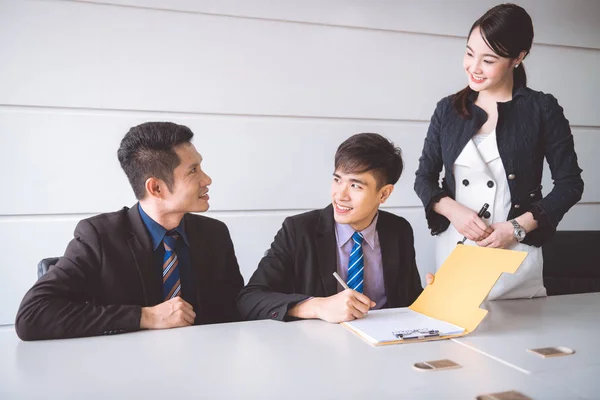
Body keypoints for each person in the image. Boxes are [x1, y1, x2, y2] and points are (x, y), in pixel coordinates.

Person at [414, 3, 583, 300]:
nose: (473, 68)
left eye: (488, 60)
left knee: (518, 341)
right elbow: (424, 179)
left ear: (518, 58)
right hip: (456, 248)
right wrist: (454, 211)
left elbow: (570, 185)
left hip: (515, 255)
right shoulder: (448, 110)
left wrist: (515, 229)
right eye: (469, 53)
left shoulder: (541, 109)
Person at [15, 122, 244, 340]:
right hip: (124, 372)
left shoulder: (215, 234)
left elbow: (236, 311)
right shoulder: (98, 236)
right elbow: (32, 315)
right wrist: (145, 316)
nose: (207, 179)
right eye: (193, 170)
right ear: (155, 187)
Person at [238, 133, 432, 322]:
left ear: (384, 194)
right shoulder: (298, 230)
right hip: (315, 348)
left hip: (385, 346)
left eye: (355, 186)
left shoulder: (398, 230)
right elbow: (250, 299)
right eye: (337, 180)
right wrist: (317, 306)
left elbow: (410, 302)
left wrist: (435, 296)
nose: (340, 195)